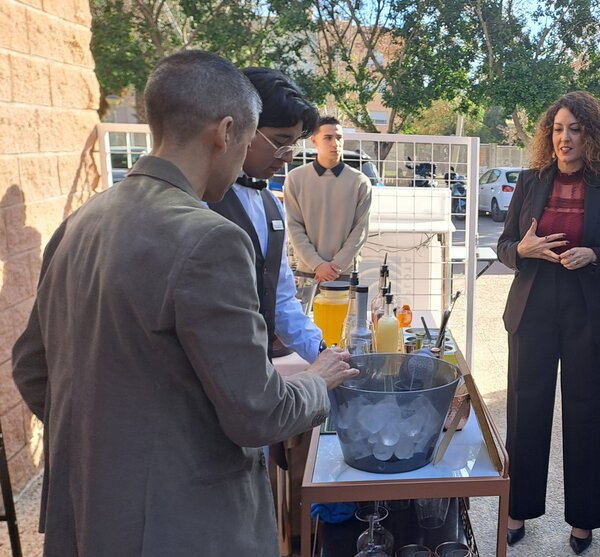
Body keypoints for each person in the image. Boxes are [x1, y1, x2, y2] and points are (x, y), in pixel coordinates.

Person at [10, 51, 358, 556]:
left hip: (87, 511)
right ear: (226, 131)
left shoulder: (79, 222)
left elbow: (31, 369)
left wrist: (112, 444)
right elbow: (257, 415)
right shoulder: (209, 239)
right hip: (183, 524)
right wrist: (317, 381)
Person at [496, 91, 600, 555]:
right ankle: (517, 508)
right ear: (547, 134)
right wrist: (522, 251)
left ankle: (585, 520)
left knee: (589, 414)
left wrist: (596, 255)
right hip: (532, 305)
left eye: (575, 129)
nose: (565, 138)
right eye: (557, 129)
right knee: (525, 411)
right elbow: (505, 244)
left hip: (587, 307)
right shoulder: (531, 180)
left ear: (591, 135)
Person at [208, 67, 323, 362]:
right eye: (280, 140)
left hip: (255, 373)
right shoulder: (200, 201)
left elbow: (282, 298)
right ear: (240, 128)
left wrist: (323, 353)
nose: (287, 156)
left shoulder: (271, 202)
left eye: (293, 145)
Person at [284, 116, 372, 282]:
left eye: (339, 137)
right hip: (307, 272)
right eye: (328, 138)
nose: (335, 143)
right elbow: (294, 226)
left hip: (343, 273)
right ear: (314, 140)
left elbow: (360, 230)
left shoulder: (360, 182)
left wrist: (335, 266)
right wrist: (317, 264)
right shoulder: (295, 178)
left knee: (347, 310)